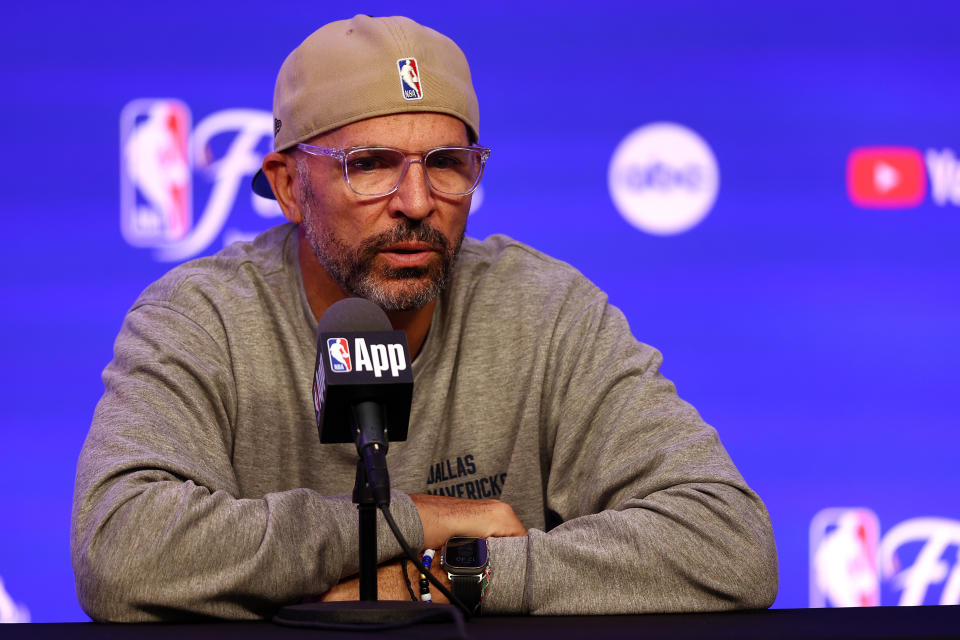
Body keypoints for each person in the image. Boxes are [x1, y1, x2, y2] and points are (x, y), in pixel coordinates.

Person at [71, 15, 778, 621]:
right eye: (370, 164)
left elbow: (730, 543)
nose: (416, 201)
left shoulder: (546, 310)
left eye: (445, 163)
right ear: (289, 186)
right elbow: (122, 553)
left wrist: (446, 576)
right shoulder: (203, 317)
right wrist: (411, 519)